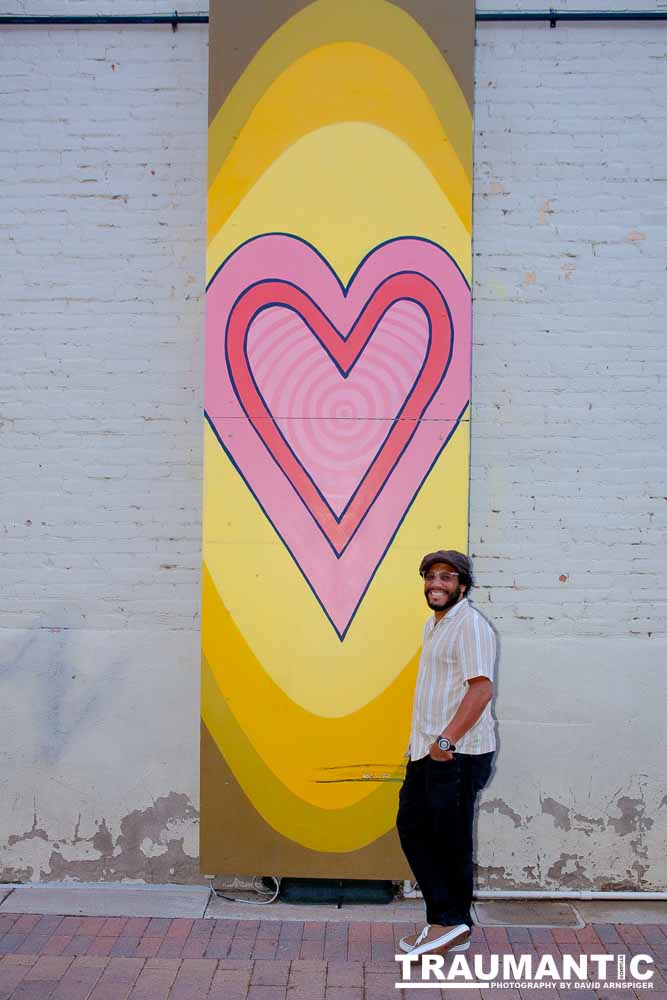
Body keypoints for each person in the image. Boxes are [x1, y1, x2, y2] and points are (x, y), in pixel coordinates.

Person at [396, 549, 496, 957]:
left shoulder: (469, 625)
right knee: (415, 828)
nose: (437, 584)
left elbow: (481, 688)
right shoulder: (435, 625)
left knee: (449, 840)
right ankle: (446, 922)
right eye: (431, 576)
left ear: (463, 586)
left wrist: (445, 743)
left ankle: (451, 924)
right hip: (428, 750)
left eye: (447, 577)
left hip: (455, 754)